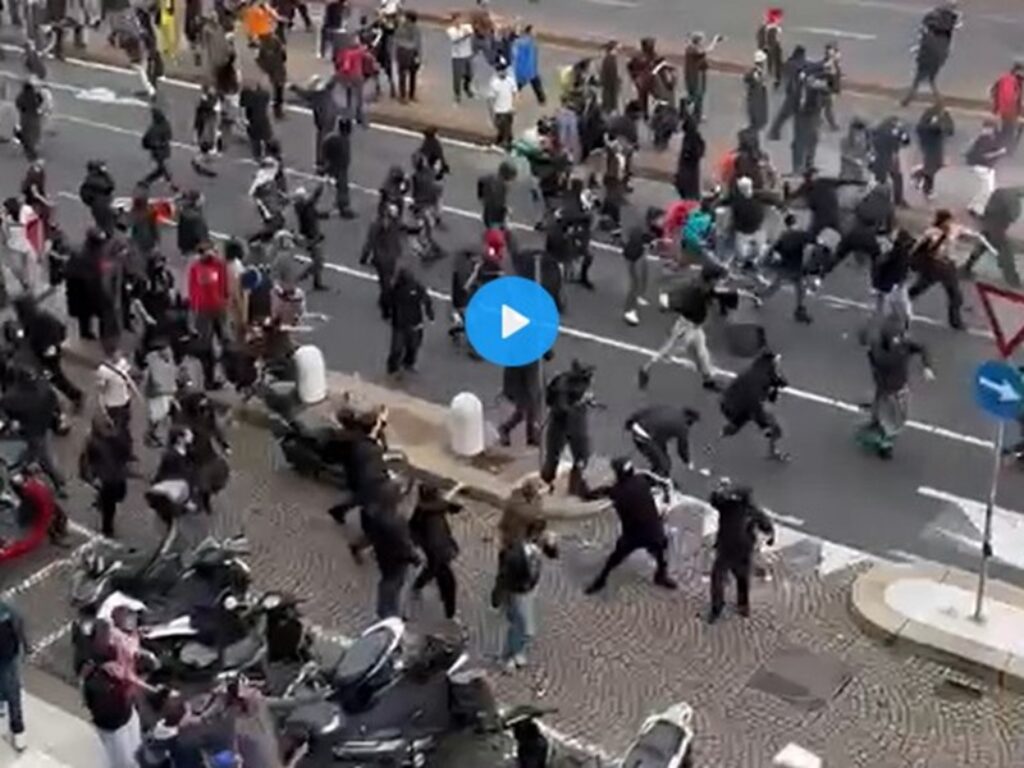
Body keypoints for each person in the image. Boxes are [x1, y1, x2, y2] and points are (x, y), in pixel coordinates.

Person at [584, 457, 676, 594]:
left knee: (614, 559)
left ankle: (600, 581)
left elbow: (598, 494)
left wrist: (586, 492)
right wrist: (666, 501)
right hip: (653, 529)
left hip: (633, 534)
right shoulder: (642, 480)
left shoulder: (617, 492)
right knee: (661, 554)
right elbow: (662, 484)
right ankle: (661, 576)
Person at [638, 264, 737, 391]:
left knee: (702, 354)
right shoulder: (694, 293)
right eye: (718, 279)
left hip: (696, 328)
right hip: (685, 328)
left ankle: (708, 380)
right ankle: (646, 369)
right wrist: (668, 304)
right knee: (668, 352)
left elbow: (717, 294)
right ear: (711, 279)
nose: (720, 282)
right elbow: (677, 302)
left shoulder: (706, 288)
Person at [858, 317, 935, 459]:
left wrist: (927, 366)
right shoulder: (891, 350)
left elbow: (922, 347)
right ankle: (883, 438)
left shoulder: (883, 349)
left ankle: (884, 440)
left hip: (893, 389)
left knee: (892, 417)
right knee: (891, 417)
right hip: (889, 388)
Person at [491, 514, 557, 671]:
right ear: (534, 534)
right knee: (524, 628)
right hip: (518, 591)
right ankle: (507, 657)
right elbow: (503, 576)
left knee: (519, 625)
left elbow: (553, 555)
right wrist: (497, 596)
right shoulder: (514, 552)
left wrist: (552, 545)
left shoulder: (538, 545)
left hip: (529, 588)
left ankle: (517, 653)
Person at [707, 480, 775, 623]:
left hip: (726, 549)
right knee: (741, 578)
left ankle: (717, 609)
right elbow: (767, 526)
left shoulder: (727, 507)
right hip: (742, 550)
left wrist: (721, 489)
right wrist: (770, 538)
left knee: (718, 578)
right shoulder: (753, 511)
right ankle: (743, 606)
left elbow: (714, 499)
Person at [81, 631, 144, 768]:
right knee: (123, 763)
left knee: (137, 756)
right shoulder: (97, 684)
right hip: (113, 728)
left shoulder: (117, 673)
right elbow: (103, 708)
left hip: (127, 716)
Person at [1, 366, 66, 494]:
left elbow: (5, 410)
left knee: (43, 456)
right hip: (44, 426)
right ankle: (57, 479)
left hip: (31, 431)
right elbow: (55, 400)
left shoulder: (13, 398)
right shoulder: (44, 387)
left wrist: (11, 423)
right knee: (44, 454)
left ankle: (58, 481)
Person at [720, 347, 790, 461]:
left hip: (733, 403)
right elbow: (755, 406)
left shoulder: (757, 370)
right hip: (743, 405)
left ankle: (716, 440)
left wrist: (780, 382)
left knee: (735, 426)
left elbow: (776, 379)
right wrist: (764, 426)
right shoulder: (761, 379)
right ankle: (773, 452)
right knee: (776, 429)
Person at [13, 295, 82, 411]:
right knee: (55, 377)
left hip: (46, 356)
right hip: (49, 353)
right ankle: (74, 396)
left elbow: (31, 339)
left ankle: (75, 396)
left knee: (55, 377)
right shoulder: (43, 316)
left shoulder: (31, 322)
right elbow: (61, 328)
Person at [540, 360, 596, 497]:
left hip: (572, 422)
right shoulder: (563, 386)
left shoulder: (569, 381)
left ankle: (575, 486)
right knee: (555, 457)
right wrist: (579, 404)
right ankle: (547, 484)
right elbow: (561, 408)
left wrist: (586, 401)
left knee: (580, 457)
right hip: (564, 424)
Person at [409, 483, 462, 619]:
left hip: (434, 552)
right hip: (438, 553)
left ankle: (418, 585)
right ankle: (450, 615)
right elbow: (453, 507)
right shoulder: (435, 508)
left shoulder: (424, 509)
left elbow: (412, 528)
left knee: (432, 570)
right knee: (448, 584)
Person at [908, 209, 966, 329]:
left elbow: (966, 232)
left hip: (948, 266)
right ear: (943, 221)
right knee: (918, 288)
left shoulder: (953, 230)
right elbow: (918, 247)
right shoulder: (931, 233)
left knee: (955, 295)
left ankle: (955, 321)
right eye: (949, 220)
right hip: (934, 266)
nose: (951, 222)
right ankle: (900, 302)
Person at [79, 414, 132, 537]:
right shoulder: (119, 437)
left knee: (109, 505)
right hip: (116, 476)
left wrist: (88, 476)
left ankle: (107, 526)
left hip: (105, 478)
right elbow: (126, 453)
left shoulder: (91, 441)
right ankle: (107, 527)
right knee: (114, 501)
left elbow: (86, 460)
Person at [900, 0, 961, 106]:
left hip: (928, 52)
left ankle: (910, 98)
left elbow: (924, 34)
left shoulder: (931, 21)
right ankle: (936, 100)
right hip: (940, 53)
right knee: (931, 78)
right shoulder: (949, 25)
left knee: (920, 77)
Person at [961, 186, 1024, 286]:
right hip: (998, 229)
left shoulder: (1000, 191)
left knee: (981, 247)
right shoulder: (1014, 201)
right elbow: (1013, 217)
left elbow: (988, 207)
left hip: (988, 224)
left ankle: (965, 268)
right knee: (1005, 253)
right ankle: (1012, 280)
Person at [760, 213, 817, 324]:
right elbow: (813, 242)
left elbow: (774, 249)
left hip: (786, 266)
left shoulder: (784, 235)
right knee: (800, 289)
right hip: (797, 266)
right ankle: (799, 310)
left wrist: (766, 259)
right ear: (795, 222)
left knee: (777, 286)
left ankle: (759, 297)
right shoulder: (800, 234)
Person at [187, 247, 228, 388]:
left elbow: (224, 284)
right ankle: (209, 379)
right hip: (203, 311)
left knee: (225, 341)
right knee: (206, 346)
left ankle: (228, 372)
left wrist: (225, 301)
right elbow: (192, 290)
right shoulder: (195, 268)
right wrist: (193, 311)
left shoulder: (219, 265)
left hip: (219, 308)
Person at [625, 405, 699, 478]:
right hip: (645, 436)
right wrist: (688, 461)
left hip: (638, 427)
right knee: (664, 465)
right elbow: (682, 448)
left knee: (660, 453)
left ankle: (654, 472)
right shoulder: (683, 426)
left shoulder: (670, 409)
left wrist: (630, 422)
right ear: (690, 420)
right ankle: (651, 482)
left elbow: (646, 411)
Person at [385, 268, 433, 376]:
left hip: (411, 323)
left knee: (412, 347)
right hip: (401, 323)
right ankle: (393, 369)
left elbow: (426, 299)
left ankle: (407, 364)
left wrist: (430, 313)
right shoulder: (396, 290)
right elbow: (387, 301)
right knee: (398, 349)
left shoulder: (416, 288)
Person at [360, 204, 404, 320]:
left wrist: (364, 258)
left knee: (386, 282)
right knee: (387, 282)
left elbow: (369, 242)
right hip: (387, 257)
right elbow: (370, 241)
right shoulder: (388, 224)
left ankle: (385, 302)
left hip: (385, 257)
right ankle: (387, 305)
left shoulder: (380, 224)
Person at [621, 207, 661, 326]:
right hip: (635, 255)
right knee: (635, 283)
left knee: (644, 276)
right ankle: (629, 310)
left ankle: (638, 296)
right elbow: (635, 244)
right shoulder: (643, 231)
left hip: (639, 254)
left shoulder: (649, 229)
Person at [96, 340, 138, 447]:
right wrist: (103, 410)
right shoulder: (103, 371)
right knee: (117, 429)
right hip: (113, 405)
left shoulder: (122, 362)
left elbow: (128, 377)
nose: (120, 355)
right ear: (110, 355)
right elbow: (101, 391)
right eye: (117, 353)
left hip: (125, 401)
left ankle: (126, 448)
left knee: (126, 425)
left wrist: (133, 391)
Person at [0, 600, 29, 752]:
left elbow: (19, 626)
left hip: (7, 657)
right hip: (8, 656)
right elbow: (19, 626)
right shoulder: (8, 608)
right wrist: (26, 645)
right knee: (13, 694)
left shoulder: (8, 608)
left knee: (12, 694)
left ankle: (18, 730)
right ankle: (18, 732)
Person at [911, 101, 955, 199]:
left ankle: (918, 174)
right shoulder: (928, 115)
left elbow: (951, 129)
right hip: (928, 144)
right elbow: (920, 128)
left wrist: (944, 129)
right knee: (931, 167)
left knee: (937, 165)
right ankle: (928, 190)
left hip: (938, 144)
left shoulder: (945, 115)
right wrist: (933, 128)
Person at [965, 119, 1006, 217]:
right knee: (988, 190)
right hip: (982, 167)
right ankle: (978, 210)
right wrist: (999, 152)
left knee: (985, 189)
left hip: (988, 167)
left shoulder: (991, 138)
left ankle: (972, 206)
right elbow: (984, 156)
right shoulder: (983, 139)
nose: (987, 130)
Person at [319, 117, 356, 220]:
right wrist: (326, 163)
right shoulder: (337, 139)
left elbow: (324, 148)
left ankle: (337, 207)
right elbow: (325, 149)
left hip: (337, 166)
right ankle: (339, 208)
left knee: (338, 187)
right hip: (336, 167)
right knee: (339, 188)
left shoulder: (333, 138)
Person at [871, 116, 911, 207]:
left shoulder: (879, 129)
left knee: (883, 178)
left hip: (881, 156)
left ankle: (888, 199)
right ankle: (895, 200)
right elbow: (905, 141)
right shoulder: (893, 130)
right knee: (892, 177)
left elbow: (906, 141)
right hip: (887, 155)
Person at [683, 32, 721, 124]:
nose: (703, 42)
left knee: (699, 96)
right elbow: (707, 50)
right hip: (694, 76)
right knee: (695, 95)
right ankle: (686, 111)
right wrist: (714, 41)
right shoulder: (692, 49)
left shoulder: (694, 48)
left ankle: (697, 115)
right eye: (702, 40)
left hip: (699, 75)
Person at [140, 104, 176, 190]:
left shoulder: (153, 128)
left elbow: (146, 140)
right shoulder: (165, 125)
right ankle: (171, 184)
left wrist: (152, 146)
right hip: (162, 151)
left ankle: (147, 181)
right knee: (164, 168)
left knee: (162, 169)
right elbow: (169, 136)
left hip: (157, 151)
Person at [991, 60, 1024, 152]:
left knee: (1006, 129)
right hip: (1008, 111)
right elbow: (1010, 98)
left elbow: (994, 91)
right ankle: (1006, 148)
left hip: (1006, 110)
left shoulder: (1007, 78)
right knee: (1008, 130)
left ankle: (1003, 146)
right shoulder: (1011, 81)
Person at [674, 110, 705, 200]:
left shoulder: (690, 139)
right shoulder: (695, 137)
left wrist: (688, 154)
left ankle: (689, 197)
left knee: (687, 185)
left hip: (688, 167)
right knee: (690, 185)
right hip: (691, 167)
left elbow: (696, 152)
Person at [255, 33, 287, 119]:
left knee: (261, 88)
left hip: (267, 68)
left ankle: (259, 110)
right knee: (278, 89)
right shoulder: (275, 40)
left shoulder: (259, 43)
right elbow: (284, 56)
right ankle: (277, 110)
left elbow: (257, 59)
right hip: (276, 68)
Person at [79, 160, 116, 233]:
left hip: (99, 205)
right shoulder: (93, 180)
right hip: (101, 205)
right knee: (107, 225)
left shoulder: (90, 179)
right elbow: (110, 186)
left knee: (103, 224)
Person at [477, 161, 517, 229]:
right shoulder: (502, 187)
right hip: (494, 219)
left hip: (488, 214)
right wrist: (506, 209)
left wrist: (480, 196)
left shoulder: (490, 177)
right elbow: (498, 204)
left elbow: (480, 180)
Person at [240, 82, 274, 159]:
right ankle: (266, 152)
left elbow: (243, 107)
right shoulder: (265, 94)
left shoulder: (247, 95)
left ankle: (258, 155)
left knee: (255, 138)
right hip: (263, 118)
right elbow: (268, 107)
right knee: (265, 136)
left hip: (253, 119)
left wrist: (243, 118)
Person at [488, 64, 518, 151]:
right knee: (505, 130)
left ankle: (501, 143)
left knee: (506, 130)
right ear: (497, 72)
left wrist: (514, 106)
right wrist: (492, 115)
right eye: (501, 70)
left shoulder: (510, 81)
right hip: (499, 112)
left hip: (508, 111)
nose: (503, 72)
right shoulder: (494, 84)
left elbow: (515, 94)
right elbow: (490, 100)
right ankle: (505, 143)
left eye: (504, 70)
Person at [394, 10, 422, 102]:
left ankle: (403, 96)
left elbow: (396, 40)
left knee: (403, 75)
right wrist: (419, 57)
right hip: (411, 53)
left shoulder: (401, 27)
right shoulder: (416, 29)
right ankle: (411, 95)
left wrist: (395, 54)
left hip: (402, 52)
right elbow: (418, 44)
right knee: (412, 75)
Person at [14, 77, 44, 161]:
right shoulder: (35, 95)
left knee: (26, 132)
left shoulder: (22, 95)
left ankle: (28, 148)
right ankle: (33, 148)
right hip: (34, 116)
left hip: (25, 116)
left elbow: (18, 103)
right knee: (34, 133)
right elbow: (40, 101)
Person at [756, 6, 785, 88]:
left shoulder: (765, 27)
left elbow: (760, 38)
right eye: (779, 18)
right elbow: (772, 41)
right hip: (771, 52)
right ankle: (772, 80)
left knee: (764, 64)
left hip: (765, 50)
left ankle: (765, 77)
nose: (780, 20)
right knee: (772, 65)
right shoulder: (772, 29)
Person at [744, 50, 770, 136]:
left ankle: (755, 126)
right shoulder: (754, 72)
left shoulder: (760, 71)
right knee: (756, 115)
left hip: (759, 96)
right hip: (756, 97)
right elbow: (748, 79)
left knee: (758, 115)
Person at [839, 117, 872, 183]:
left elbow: (869, 158)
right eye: (856, 128)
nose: (858, 132)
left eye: (860, 129)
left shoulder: (867, 143)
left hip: (861, 177)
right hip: (847, 177)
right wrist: (857, 161)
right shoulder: (844, 141)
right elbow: (844, 156)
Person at [598, 40, 621, 114]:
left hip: (608, 89)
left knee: (608, 106)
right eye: (617, 49)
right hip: (610, 90)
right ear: (613, 49)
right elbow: (610, 76)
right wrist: (617, 82)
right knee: (609, 107)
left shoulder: (609, 59)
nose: (618, 51)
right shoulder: (610, 59)